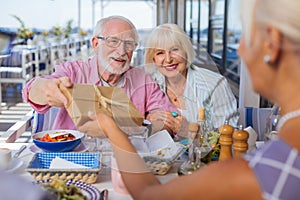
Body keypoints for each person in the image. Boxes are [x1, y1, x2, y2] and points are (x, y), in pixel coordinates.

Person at [90, 0, 300, 199]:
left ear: (272, 43)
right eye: (160, 53)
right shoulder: (149, 81)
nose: (240, 50)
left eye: (245, 38)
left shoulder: (267, 168)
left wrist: (110, 127)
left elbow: (149, 195)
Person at [22, 15, 179, 136]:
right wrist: (45, 88)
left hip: (124, 161)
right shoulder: (73, 72)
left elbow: (168, 120)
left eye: (129, 44)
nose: (122, 51)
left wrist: (158, 123)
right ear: (96, 44)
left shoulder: (143, 79)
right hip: (74, 160)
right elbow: (32, 90)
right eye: (113, 41)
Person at [144, 23, 238, 130]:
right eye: (160, 53)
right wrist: (147, 119)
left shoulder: (215, 85)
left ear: (186, 51)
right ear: (153, 59)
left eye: (175, 49)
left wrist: (188, 130)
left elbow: (229, 135)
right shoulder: (149, 84)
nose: (168, 59)